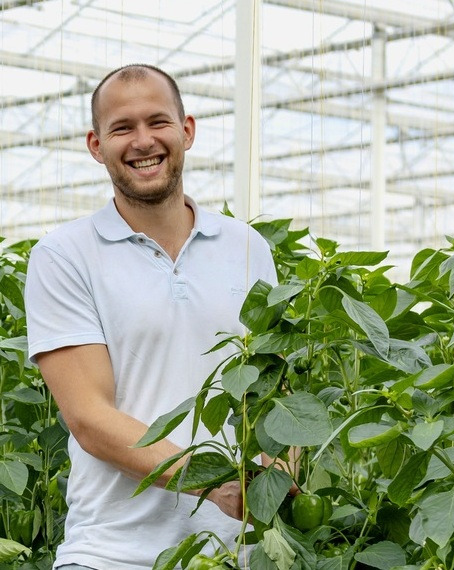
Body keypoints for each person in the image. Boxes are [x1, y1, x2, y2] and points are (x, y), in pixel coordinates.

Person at [24, 64, 278, 570]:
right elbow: (90, 419)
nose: (143, 141)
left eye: (157, 122)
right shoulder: (64, 255)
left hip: (240, 553)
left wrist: (280, 467)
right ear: (96, 145)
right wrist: (211, 483)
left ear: (187, 130)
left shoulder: (248, 248)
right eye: (122, 128)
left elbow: (275, 387)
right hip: (113, 554)